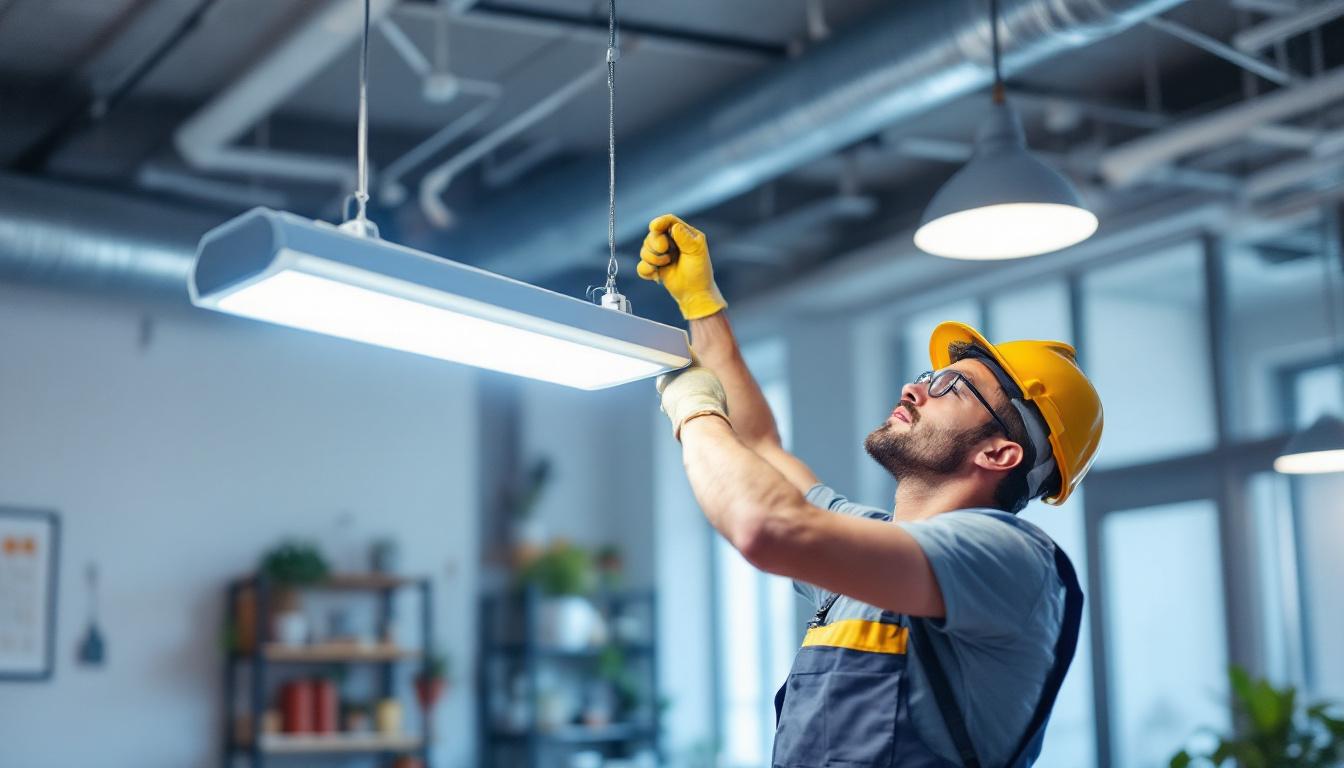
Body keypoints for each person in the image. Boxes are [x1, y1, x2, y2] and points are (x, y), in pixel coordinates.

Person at [639, 214, 1104, 768]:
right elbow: (758, 445)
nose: (913, 388)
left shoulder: (1007, 558)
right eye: (926, 378)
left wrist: (694, 411)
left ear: (999, 454)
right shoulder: (873, 545)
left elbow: (766, 527)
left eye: (950, 387)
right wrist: (701, 305)